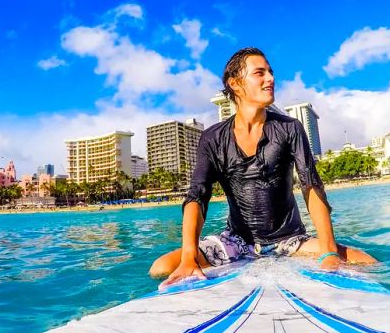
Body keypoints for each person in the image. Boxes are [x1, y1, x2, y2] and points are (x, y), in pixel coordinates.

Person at [149, 47, 376, 284]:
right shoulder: (213, 138)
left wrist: (329, 252)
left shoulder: (290, 128)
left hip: (291, 242)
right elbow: (197, 197)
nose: (271, 78)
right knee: (162, 267)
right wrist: (189, 257)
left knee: (365, 261)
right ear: (235, 84)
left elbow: (311, 187)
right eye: (260, 73)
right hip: (236, 243)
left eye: (270, 72)